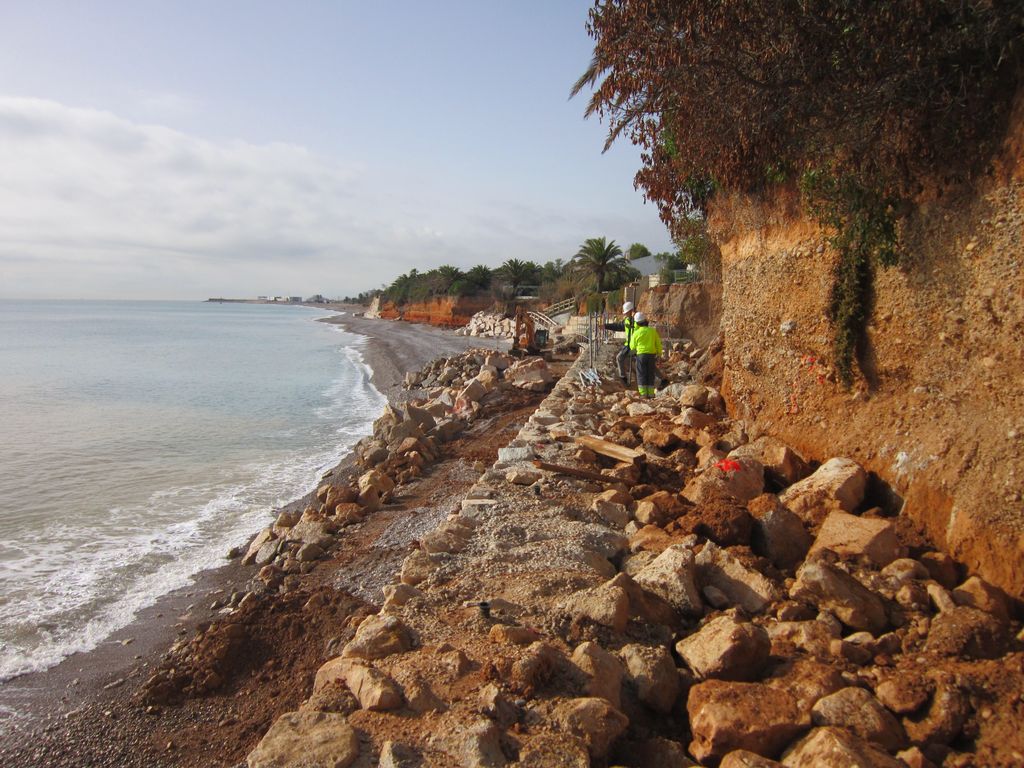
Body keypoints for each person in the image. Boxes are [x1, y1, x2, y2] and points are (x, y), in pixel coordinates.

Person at [629, 312, 662, 397]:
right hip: (651, 355)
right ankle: (651, 393)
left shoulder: (636, 333)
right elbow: (658, 343)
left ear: (637, 323)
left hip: (641, 355)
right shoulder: (652, 331)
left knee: (641, 374)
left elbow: (632, 346)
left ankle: (643, 394)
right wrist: (659, 354)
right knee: (650, 374)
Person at [603, 301, 636, 386]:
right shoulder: (627, 320)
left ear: (631, 311)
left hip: (636, 345)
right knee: (620, 358)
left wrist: (634, 319)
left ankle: (624, 378)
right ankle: (624, 378)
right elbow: (618, 326)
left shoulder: (637, 320)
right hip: (629, 344)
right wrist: (605, 326)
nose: (625, 314)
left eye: (626, 313)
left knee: (623, 358)